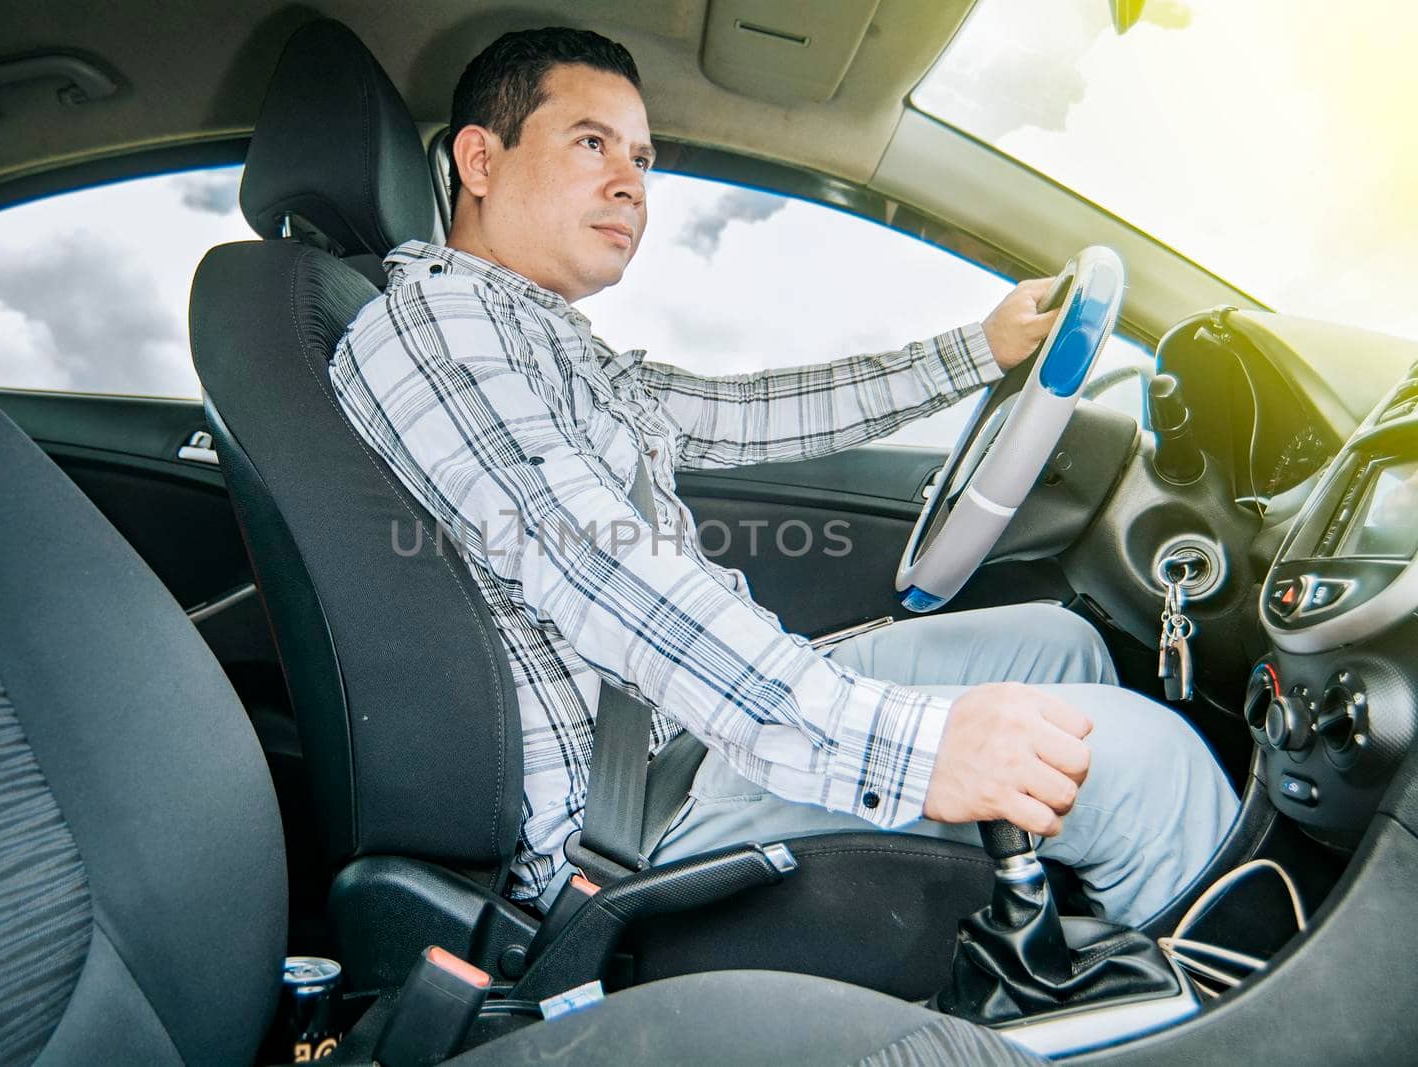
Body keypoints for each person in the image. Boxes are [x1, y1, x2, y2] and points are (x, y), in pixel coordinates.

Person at [329, 27, 1237, 927]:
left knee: (1056, 643)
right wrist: (910, 750)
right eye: (592, 143)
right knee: (1150, 761)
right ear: (480, 161)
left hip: (677, 728)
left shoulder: (545, 340)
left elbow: (749, 412)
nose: (631, 185)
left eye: (642, 159)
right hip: (636, 810)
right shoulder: (435, 326)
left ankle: (1084, 967)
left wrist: (977, 351)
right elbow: (598, 569)